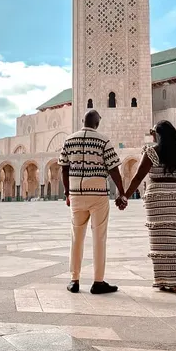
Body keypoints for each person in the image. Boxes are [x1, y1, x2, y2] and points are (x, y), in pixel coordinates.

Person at [58, 109, 127, 295]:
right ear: (97, 123)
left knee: (76, 237)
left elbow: (64, 168)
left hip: (76, 196)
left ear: (83, 121)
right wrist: (122, 193)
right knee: (99, 237)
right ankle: (98, 281)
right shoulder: (103, 141)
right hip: (98, 195)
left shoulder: (69, 140)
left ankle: (74, 280)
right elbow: (113, 170)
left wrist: (67, 193)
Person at [121, 120, 176, 292]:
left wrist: (125, 197)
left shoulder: (151, 152)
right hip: (175, 196)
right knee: (173, 238)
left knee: (159, 239)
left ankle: (163, 280)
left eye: (153, 132)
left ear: (158, 134)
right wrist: (174, 192)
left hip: (156, 196)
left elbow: (138, 177)